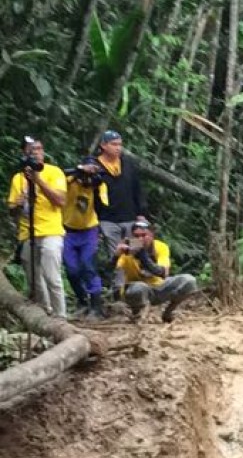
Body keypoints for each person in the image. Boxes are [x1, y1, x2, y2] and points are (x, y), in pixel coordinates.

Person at [7, 136, 67, 318]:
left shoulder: (54, 172)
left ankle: (61, 315)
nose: (37, 153)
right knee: (34, 279)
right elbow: (12, 211)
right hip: (27, 233)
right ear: (24, 153)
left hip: (51, 231)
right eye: (32, 150)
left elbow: (60, 200)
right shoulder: (18, 179)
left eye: (40, 149)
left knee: (52, 276)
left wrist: (38, 180)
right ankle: (44, 313)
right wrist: (17, 205)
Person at [115, 218, 197, 323]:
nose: (140, 239)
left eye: (144, 235)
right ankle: (137, 314)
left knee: (189, 281)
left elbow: (163, 273)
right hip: (136, 290)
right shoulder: (128, 249)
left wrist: (142, 255)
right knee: (138, 288)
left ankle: (169, 312)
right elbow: (110, 269)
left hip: (158, 286)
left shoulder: (160, 246)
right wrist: (116, 255)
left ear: (151, 235)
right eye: (136, 236)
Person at [62, 155, 108, 319]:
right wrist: (79, 173)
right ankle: (82, 300)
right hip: (67, 231)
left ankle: (96, 305)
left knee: (88, 266)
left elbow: (103, 204)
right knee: (72, 270)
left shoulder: (98, 184)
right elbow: (60, 180)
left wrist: (94, 180)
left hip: (89, 230)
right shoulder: (69, 181)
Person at [95, 130, 146, 260]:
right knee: (116, 256)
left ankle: (137, 278)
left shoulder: (127, 163)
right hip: (108, 219)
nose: (118, 148)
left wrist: (141, 213)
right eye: (114, 144)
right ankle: (118, 281)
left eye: (119, 144)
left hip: (130, 218)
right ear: (103, 145)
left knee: (136, 252)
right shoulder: (96, 166)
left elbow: (137, 189)